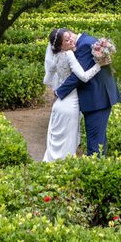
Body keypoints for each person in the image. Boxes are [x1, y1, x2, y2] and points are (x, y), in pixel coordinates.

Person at [42, 28, 108, 162]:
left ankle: (50, 166)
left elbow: (47, 79)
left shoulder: (56, 57)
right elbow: (82, 77)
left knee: (56, 140)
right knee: (68, 142)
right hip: (69, 104)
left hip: (59, 105)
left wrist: (58, 90)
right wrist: (99, 65)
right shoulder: (69, 54)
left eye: (70, 37)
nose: (71, 40)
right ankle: (64, 169)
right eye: (66, 40)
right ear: (61, 45)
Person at [55, 30, 121, 156]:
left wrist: (59, 92)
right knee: (99, 141)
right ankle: (101, 168)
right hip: (99, 98)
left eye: (68, 40)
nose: (70, 43)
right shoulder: (86, 41)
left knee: (94, 145)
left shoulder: (84, 45)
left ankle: (95, 172)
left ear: (70, 34)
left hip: (97, 100)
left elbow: (78, 76)